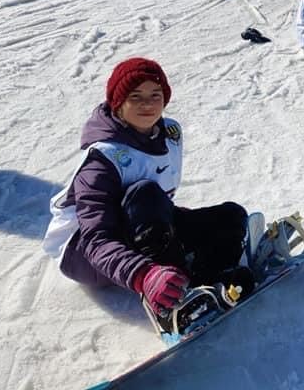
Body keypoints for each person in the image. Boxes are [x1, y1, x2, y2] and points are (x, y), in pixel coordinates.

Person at [41, 58, 258, 332]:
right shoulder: (102, 161)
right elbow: (95, 239)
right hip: (85, 253)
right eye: (136, 97)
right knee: (145, 194)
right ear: (118, 103)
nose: (147, 104)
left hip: (137, 222)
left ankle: (214, 279)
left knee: (230, 216)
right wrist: (144, 275)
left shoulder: (167, 134)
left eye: (155, 95)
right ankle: (174, 300)